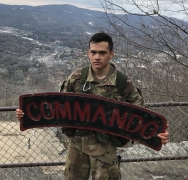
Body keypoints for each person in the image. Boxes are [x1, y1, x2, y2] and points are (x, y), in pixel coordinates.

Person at [16, 32, 169, 180]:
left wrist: (156, 134)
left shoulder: (123, 83)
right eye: (93, 52)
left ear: (111, 54)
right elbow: (57, 108)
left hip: (106, 147)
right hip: (77, 145)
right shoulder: (77, 77)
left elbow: (141, 115)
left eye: (102, 53)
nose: (97, 57)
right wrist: (27, 115)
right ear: (88, 53)